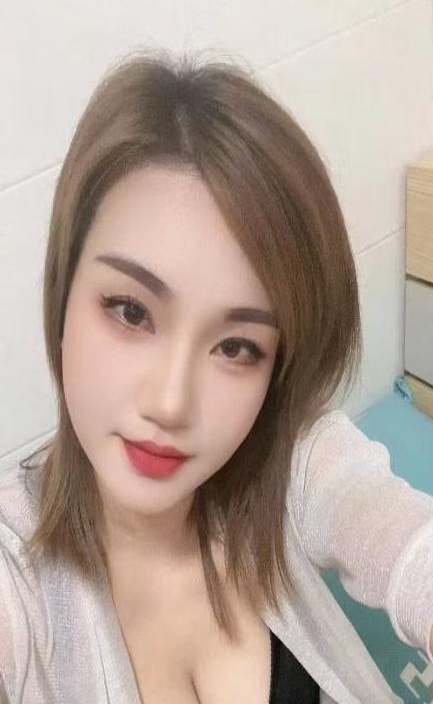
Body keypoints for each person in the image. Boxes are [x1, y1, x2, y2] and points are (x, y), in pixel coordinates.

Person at [1, 47, 432, 704]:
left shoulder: (289, 460)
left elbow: (407, 546)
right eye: (131, 311)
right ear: (64, 293)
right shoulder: (18, 581)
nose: (171, 403)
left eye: (236, 347)